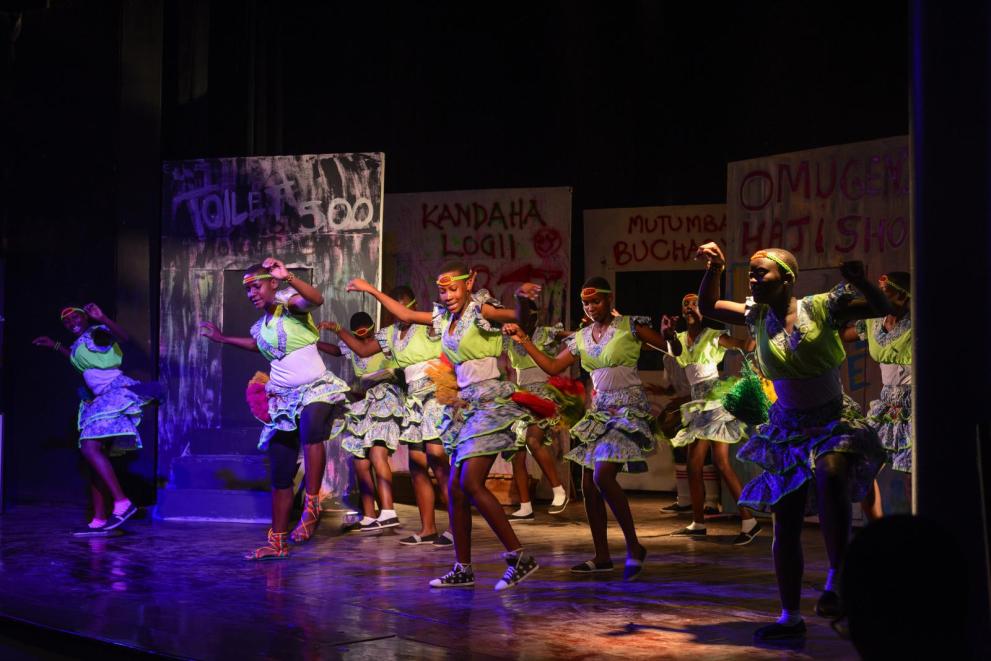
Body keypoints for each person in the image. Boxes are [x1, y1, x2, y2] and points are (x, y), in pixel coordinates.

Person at [695, 243, 886, 641]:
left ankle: (837, 576)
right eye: (749, 273)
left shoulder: (821, 308)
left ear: (787, 278)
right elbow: (710, 306)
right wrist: (715, 267)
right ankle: (790, 616)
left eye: (760, 273)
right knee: (786, 517)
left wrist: (859, 281)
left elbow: (879, 306)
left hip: (832, 418)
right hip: (788, 426)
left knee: (831, 471)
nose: (752, 279)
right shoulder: (756, 315)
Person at [347, 266, 542, 590]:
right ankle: (462, 567)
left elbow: (516, 315)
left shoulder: (481, 310)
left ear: (469, 285)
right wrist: (372, 290)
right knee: (454, 489)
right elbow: (403, 312)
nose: (448, 296)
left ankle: (518, 555)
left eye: (453, 290)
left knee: (471, 483)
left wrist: (523, 301)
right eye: (443, 291)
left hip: (489, 400)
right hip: (464, 406)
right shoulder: (443, 321)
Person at [504, 276, 676, 581]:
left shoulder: (630, 326)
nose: (591, 307)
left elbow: (671, 349)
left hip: (627, 409)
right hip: (599, 411)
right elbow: (553, 367)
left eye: (596, 301)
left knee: (602, 475)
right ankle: (602, 556)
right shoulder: (581, 337)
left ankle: (634, 547)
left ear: (609, 300)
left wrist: (670, 335)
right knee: (588, 485)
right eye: (586, 303)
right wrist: (524, 342)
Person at [200, 258, 349, 559]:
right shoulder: (261, 325)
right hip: (282, 397)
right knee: (280, 470)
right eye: (248, 290)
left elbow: (315, 299)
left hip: (315, 387)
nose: (251, 293)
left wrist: (289, 276)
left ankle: (312, 505)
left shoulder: (291, 306)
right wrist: (222, 338)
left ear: (272, 283)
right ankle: (277, 541)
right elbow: (257, 345)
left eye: (256, 286)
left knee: (311, 426)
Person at [33, 303, 157, 536]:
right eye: (66, 322)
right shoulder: (79, 344)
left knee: (90, 448)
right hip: (99, 399)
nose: (71, 323)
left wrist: (104, 317)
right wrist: (55, 345)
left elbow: (124, 337)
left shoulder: (97, 331)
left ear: (86, 318)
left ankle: (123, 503)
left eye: (76, 317)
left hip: (114, 392)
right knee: (92, 458)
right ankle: (99, 520)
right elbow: (76, 358)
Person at [668, 293, 761, 544]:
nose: (689, 307)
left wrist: (754, 324)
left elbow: (745, 346)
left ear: (703, 309)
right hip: (698, 404)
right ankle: (735, 521)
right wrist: (666, 334)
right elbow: (675, 351)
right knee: (715, 463)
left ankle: (732, 520)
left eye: (695, 303)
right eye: (685, 304)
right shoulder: (678, 339)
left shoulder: (713, 335)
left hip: (714, 401)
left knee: (696, 462)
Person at [318, 311, 403, 532]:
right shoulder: (351, 344)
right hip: (366, 401)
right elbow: (338, 350)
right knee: (360, 460)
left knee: (377, 453)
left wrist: (337, 328)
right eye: (360, 333)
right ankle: (369, 514)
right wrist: (315, 343)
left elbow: (369, 352)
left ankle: (388, 511)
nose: (364, 337)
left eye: (367, 331)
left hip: (387, 397)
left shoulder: (384, 339)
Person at [839, 271, 912, 520]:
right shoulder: (872, 321)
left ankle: (922, 535)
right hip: (886, 403)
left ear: (903, 295)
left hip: (916, 403)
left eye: (884, 292)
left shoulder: (917, 321)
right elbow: (841, 336)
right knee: (862, 463)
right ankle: (878, 529)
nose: (877, 298)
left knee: (916, 471)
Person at [505, 296, 570, 521]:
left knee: (533, 440)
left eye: (527, 314)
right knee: (517, 452)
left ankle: (558, 489)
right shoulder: (510, 337)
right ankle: (525, 506)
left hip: (543, 393)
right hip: (522, 393)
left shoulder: (546, 333)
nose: (522, 318)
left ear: (534, 315)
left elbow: (573, 337)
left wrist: (589, 332)